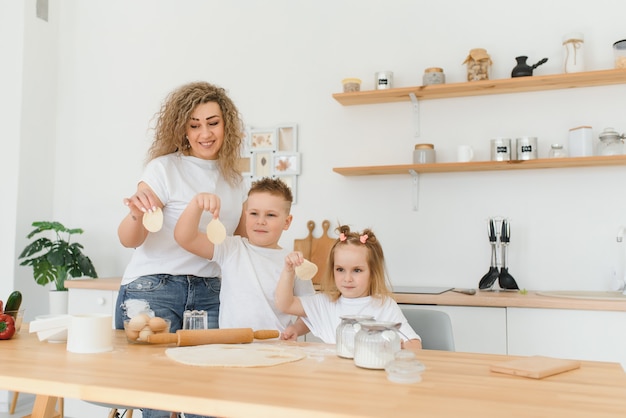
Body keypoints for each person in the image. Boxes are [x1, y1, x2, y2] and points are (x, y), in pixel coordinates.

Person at [115, 81, 247, 418]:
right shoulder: (163, 169)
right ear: (182, 129)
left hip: (211, 292)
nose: (205, 133)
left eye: (213, 122)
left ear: (226, 125)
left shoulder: (235, 179)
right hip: (154, 289)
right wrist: (135, 212)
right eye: (194, 124)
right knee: (157, 403)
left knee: (207, 401)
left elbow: (242, 245)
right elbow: (130, 239)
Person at [174, 177, 314, 334]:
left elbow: (312, 311)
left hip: (276, 349)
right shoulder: (231, 248)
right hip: (233, 349)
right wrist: (196, 205)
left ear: (287, 222)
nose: (260, 221)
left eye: (271, 215)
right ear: (246, 215)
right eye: (254, 213)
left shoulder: (294, 263)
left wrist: (295, 329)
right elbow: (186, 238)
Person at [276, 225, 422, 350]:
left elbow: (415, 344)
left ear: (373, 272)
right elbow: (284, 304)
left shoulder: (385, 306)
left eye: (357, 270)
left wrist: (398, 346)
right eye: (340, 269)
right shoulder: (324, 303)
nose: (347, 278)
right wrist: (288, 271)